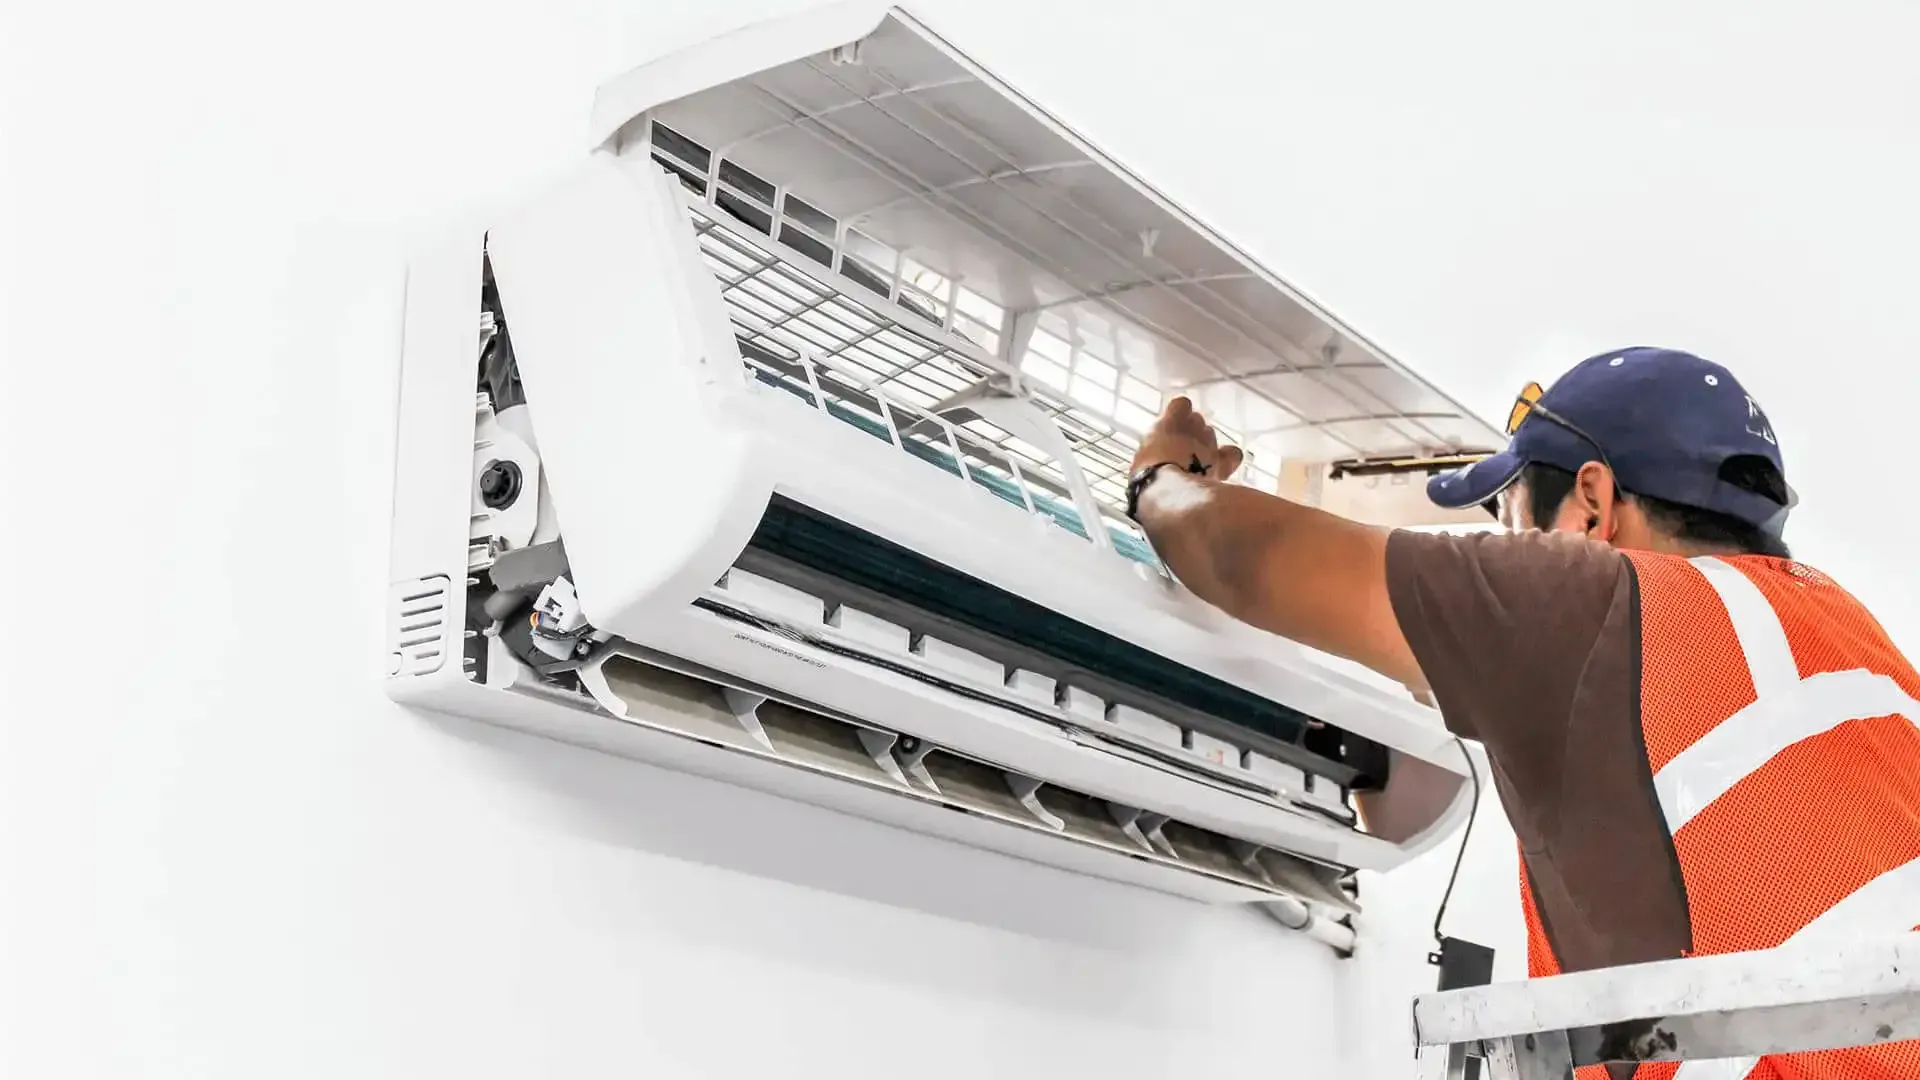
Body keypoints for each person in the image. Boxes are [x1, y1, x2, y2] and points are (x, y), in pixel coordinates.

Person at [1124, 346, 1920, 1080]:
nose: (1507, 546)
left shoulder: (1588, 598)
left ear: (1591, 501)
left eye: (1507, 518)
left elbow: (1240, 557)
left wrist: (1159, 475)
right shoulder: (1845, 634)